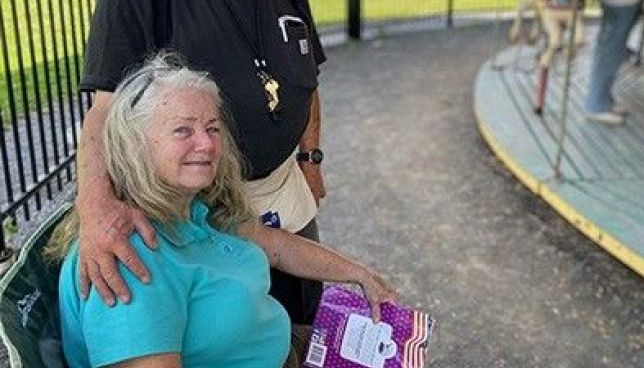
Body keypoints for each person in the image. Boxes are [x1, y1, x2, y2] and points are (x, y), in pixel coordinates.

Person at [76, 0, 327, 328]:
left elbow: (308, 76)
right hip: (200, 225)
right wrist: (96, 213)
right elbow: (102, 114)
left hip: (289, 202)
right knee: (239, 344)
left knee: (303, 327)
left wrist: (311, 160)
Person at [50, 56, 396, 368]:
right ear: (134, 145)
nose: (207, 144)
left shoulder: (190, 209)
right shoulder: (130, 257)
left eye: (212, 128)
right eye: (183, 130)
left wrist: (361, 275)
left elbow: (275, 246)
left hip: (284, 345)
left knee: (393, 346)